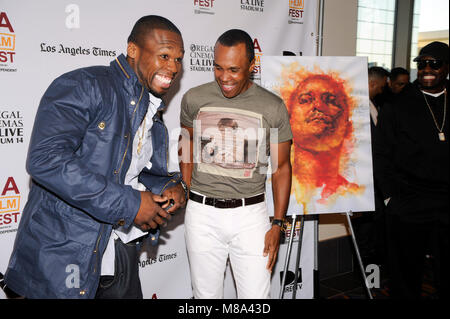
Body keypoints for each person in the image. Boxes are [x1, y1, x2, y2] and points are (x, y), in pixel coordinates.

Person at [4, 15, 187, 299]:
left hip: (119, 252)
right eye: (164, 56)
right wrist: (131, 203)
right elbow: (46, 160)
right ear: (133, 50)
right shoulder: (86, 85)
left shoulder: (150, 109)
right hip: (63, 255)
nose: (173, 67)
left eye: (178, 59)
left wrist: (166, 188)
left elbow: (130, 170)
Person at [179, 29, 292, 299]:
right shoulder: (194, 99)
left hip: (250, 216)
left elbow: (281, 168)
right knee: (205, 297)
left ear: (252, 66)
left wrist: (277, 223)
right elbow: (186, 146)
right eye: (218, 68)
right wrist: (185, 189)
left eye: (233, 69)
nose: (224, 78)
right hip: (202, 213)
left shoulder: (272, 106)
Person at [374, 41, 449, 298]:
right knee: (405, 277)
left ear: (447, 67)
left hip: (448, 202)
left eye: (435, 63)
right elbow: (381, 154)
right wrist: (390, 197)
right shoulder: (397, 105)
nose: (427, 68)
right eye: (421, 63)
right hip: (409, 202)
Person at [282, 72, 363, 206]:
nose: (318, 105)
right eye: (306, 100)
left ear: (348, 126)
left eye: (331, 100)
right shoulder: (278, 189)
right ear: (289, 119)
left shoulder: (352, 194)